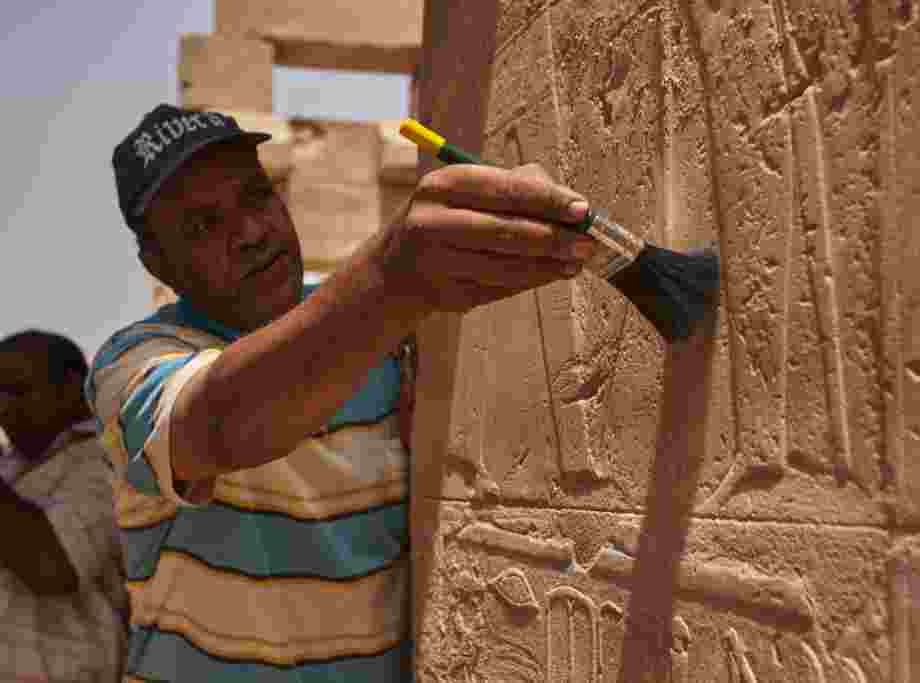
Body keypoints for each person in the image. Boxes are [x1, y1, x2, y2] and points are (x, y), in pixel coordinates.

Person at [88, 104, 597, 681]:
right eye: (203, 226)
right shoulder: (131, 366)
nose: (250, 234)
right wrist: (393, 277)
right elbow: (220, 425)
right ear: (157, 262)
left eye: (255, 196)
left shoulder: (383, 331)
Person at [0, 330, 127, 682]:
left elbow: (53, 567)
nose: (4, 407)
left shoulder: (106, 459)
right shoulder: (9, 467)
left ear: (71, 385)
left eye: (19, 390)